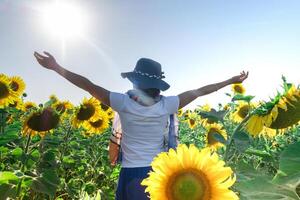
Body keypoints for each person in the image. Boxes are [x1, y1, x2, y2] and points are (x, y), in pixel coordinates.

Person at [33, 51, 249, 200]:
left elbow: (88, 86)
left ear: (135, 82)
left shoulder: (123, 102)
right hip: (158, 172)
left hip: (129, 172)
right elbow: (200, 91)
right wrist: (230, 81)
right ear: (157, 85)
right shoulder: (167, 104)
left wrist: (55, 67)